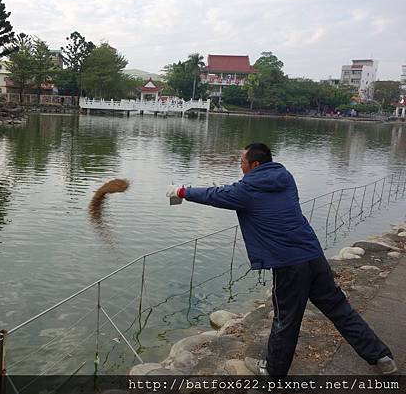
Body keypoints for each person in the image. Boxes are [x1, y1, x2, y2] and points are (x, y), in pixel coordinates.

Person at [166, 142, 397, 378]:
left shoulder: (247, 191)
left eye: (242, 162)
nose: (240, 166)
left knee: (285, 319)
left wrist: (182, 191)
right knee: (339, 308)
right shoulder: (285, 178)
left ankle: (273, 371)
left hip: (290, 265)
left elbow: (215, 195)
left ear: (255, 165)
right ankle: (382, 357)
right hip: (313, 255)